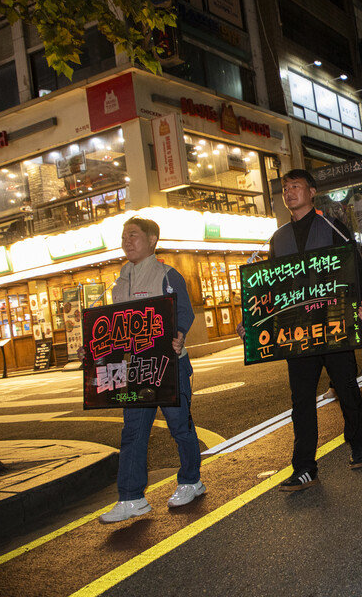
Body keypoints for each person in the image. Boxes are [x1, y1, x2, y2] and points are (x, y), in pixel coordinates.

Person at [246, 168, 362, 491]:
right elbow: (270, 286)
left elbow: (353, 265)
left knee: (346, 387)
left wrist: (361, 303)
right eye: (285, 188)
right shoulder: (278, 238)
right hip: (297, 332)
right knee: (301, 400)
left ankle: (358, 444)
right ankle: (304, 467)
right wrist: (253, 321)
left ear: (312, 192)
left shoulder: (332, 227)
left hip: (334, 324)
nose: (289, 192)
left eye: (296, 186)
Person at [100, 217, 205, 523]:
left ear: (152, 240)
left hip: (170, 365)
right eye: (123, 236)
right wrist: (96, 350)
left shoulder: (166, 274)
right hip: (136, 371)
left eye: (133, 235)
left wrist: (180, 334)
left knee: (180, 427)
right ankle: (131, 497)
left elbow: (183, 312)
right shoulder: (120, 281)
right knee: (132, 433)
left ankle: (191, 481)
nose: (126, 241)